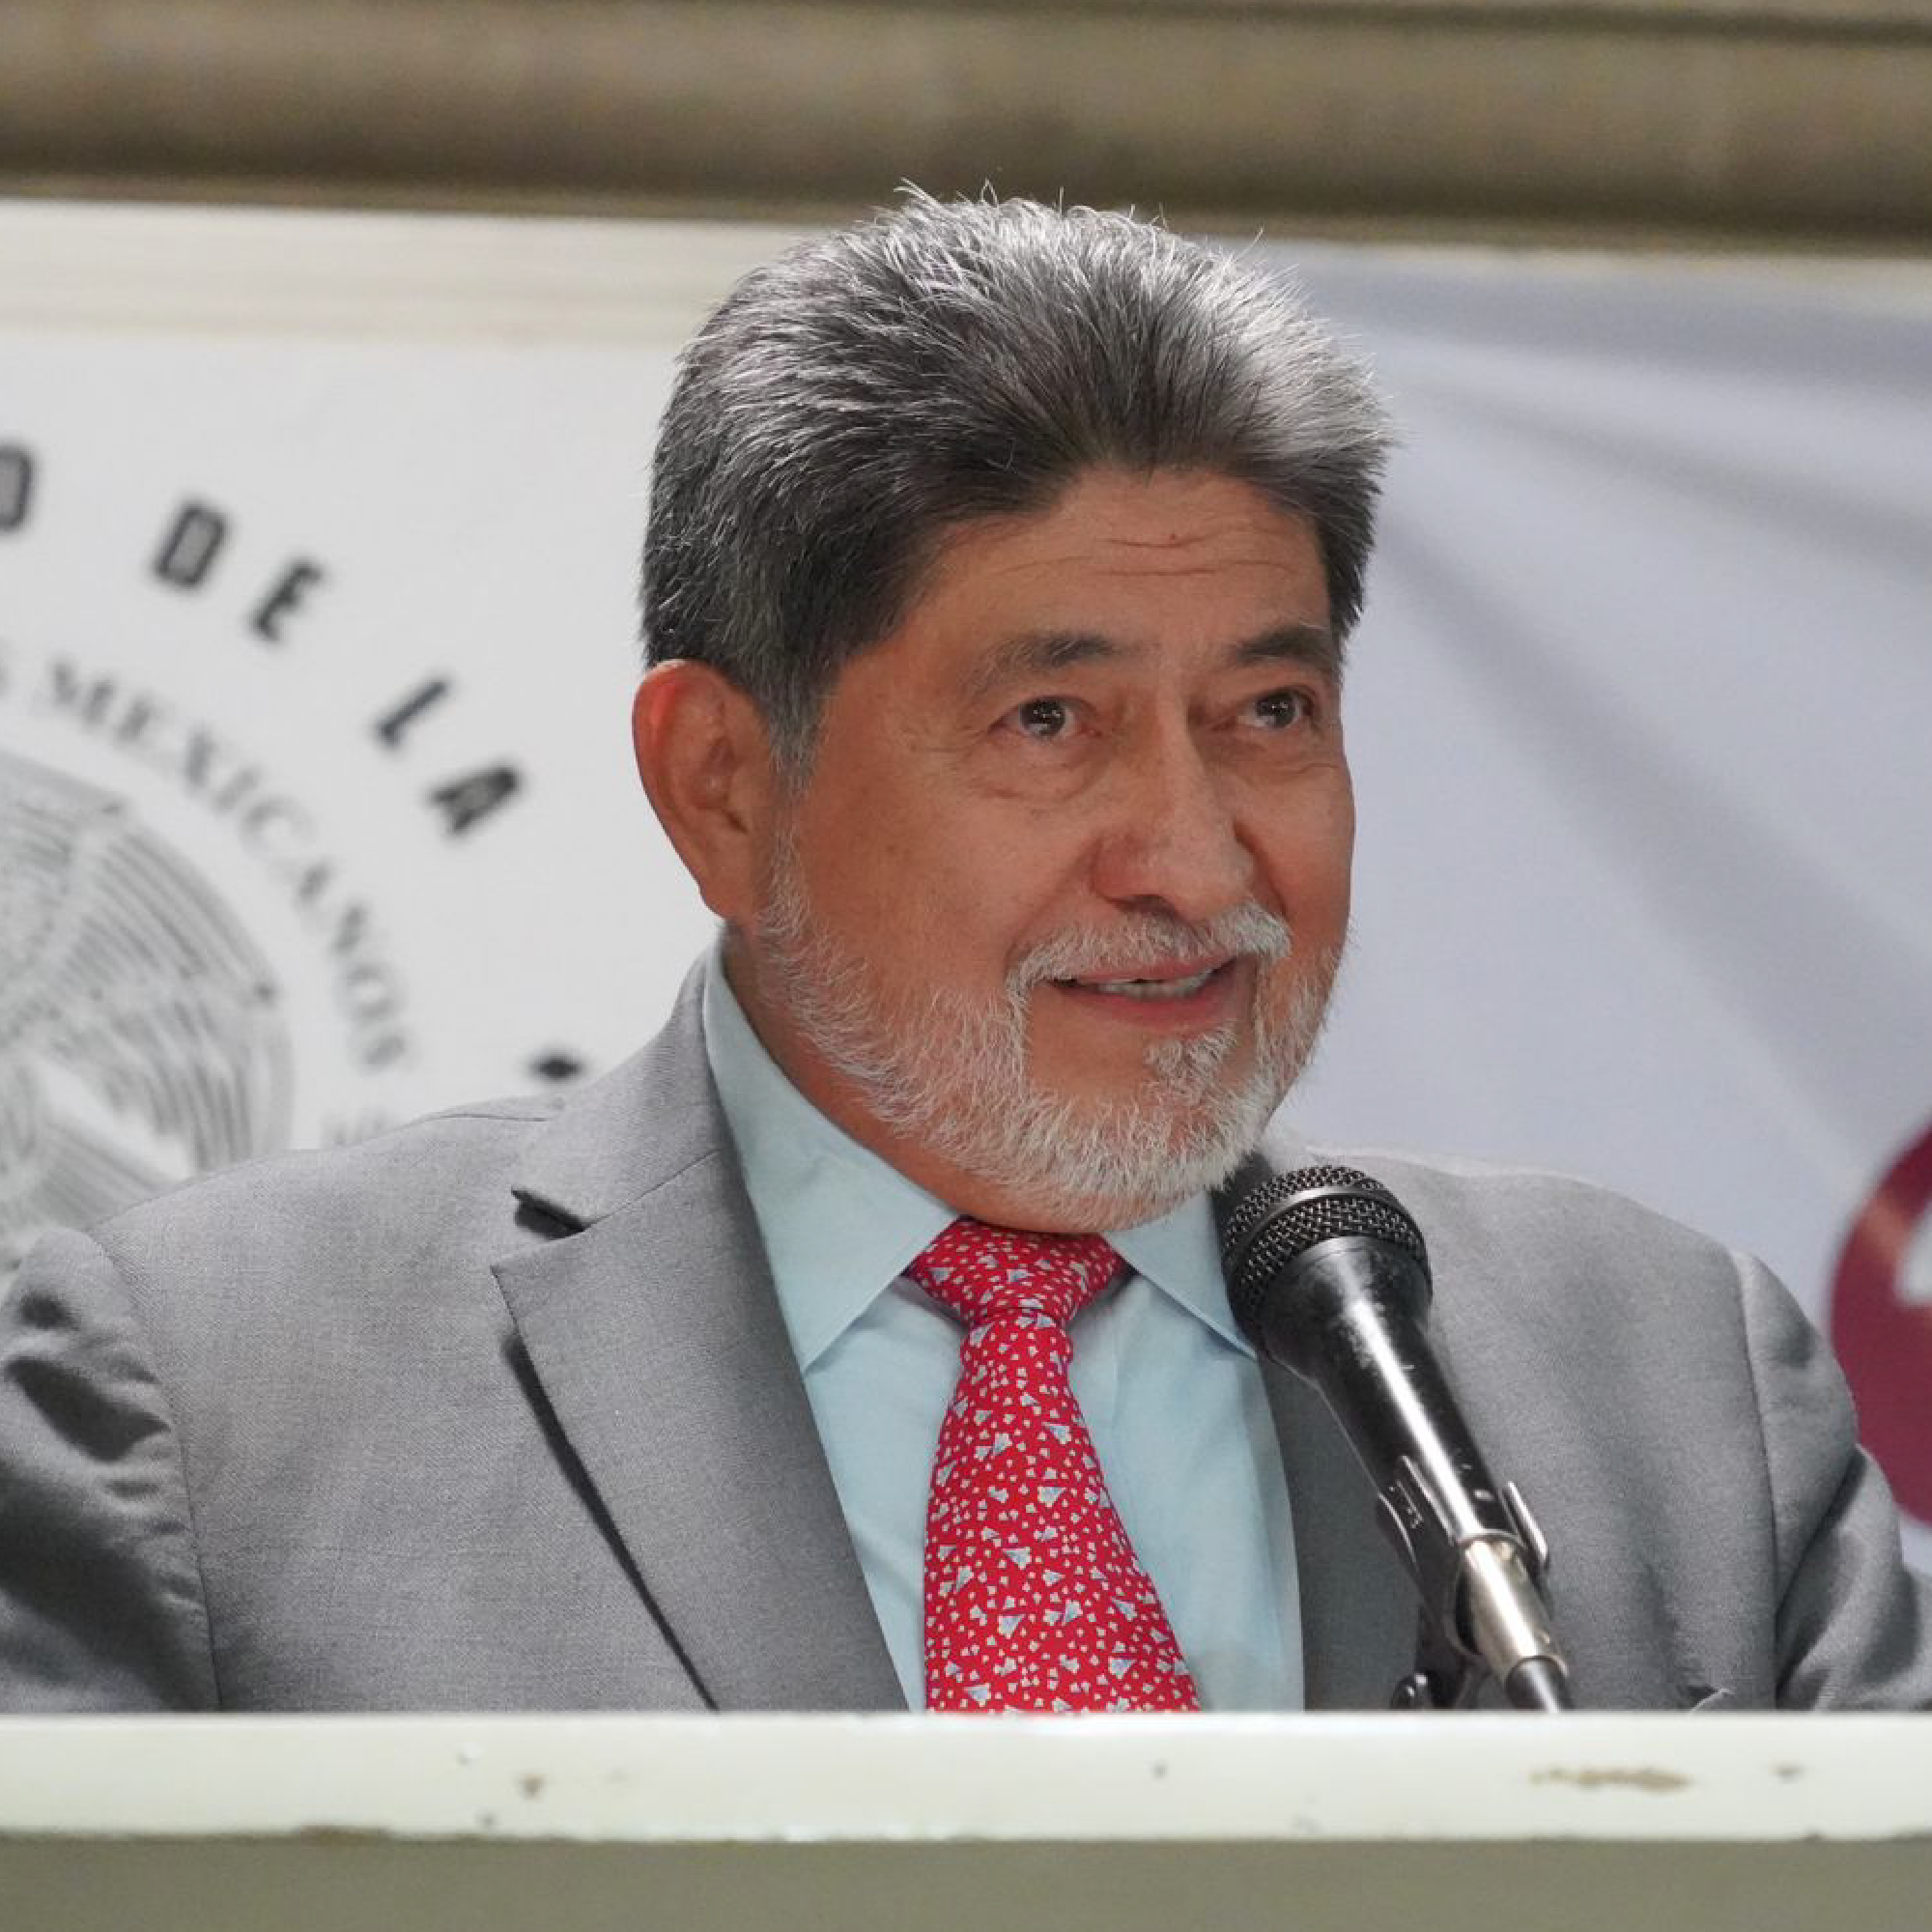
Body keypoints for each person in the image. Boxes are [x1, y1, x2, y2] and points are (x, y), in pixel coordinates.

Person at [2, 193, 1926, 1714]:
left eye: (1268, 712)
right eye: (1049, 723)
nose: (1193, 859)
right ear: (723, 784)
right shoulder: (211, 1400)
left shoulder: (1672, 1384)